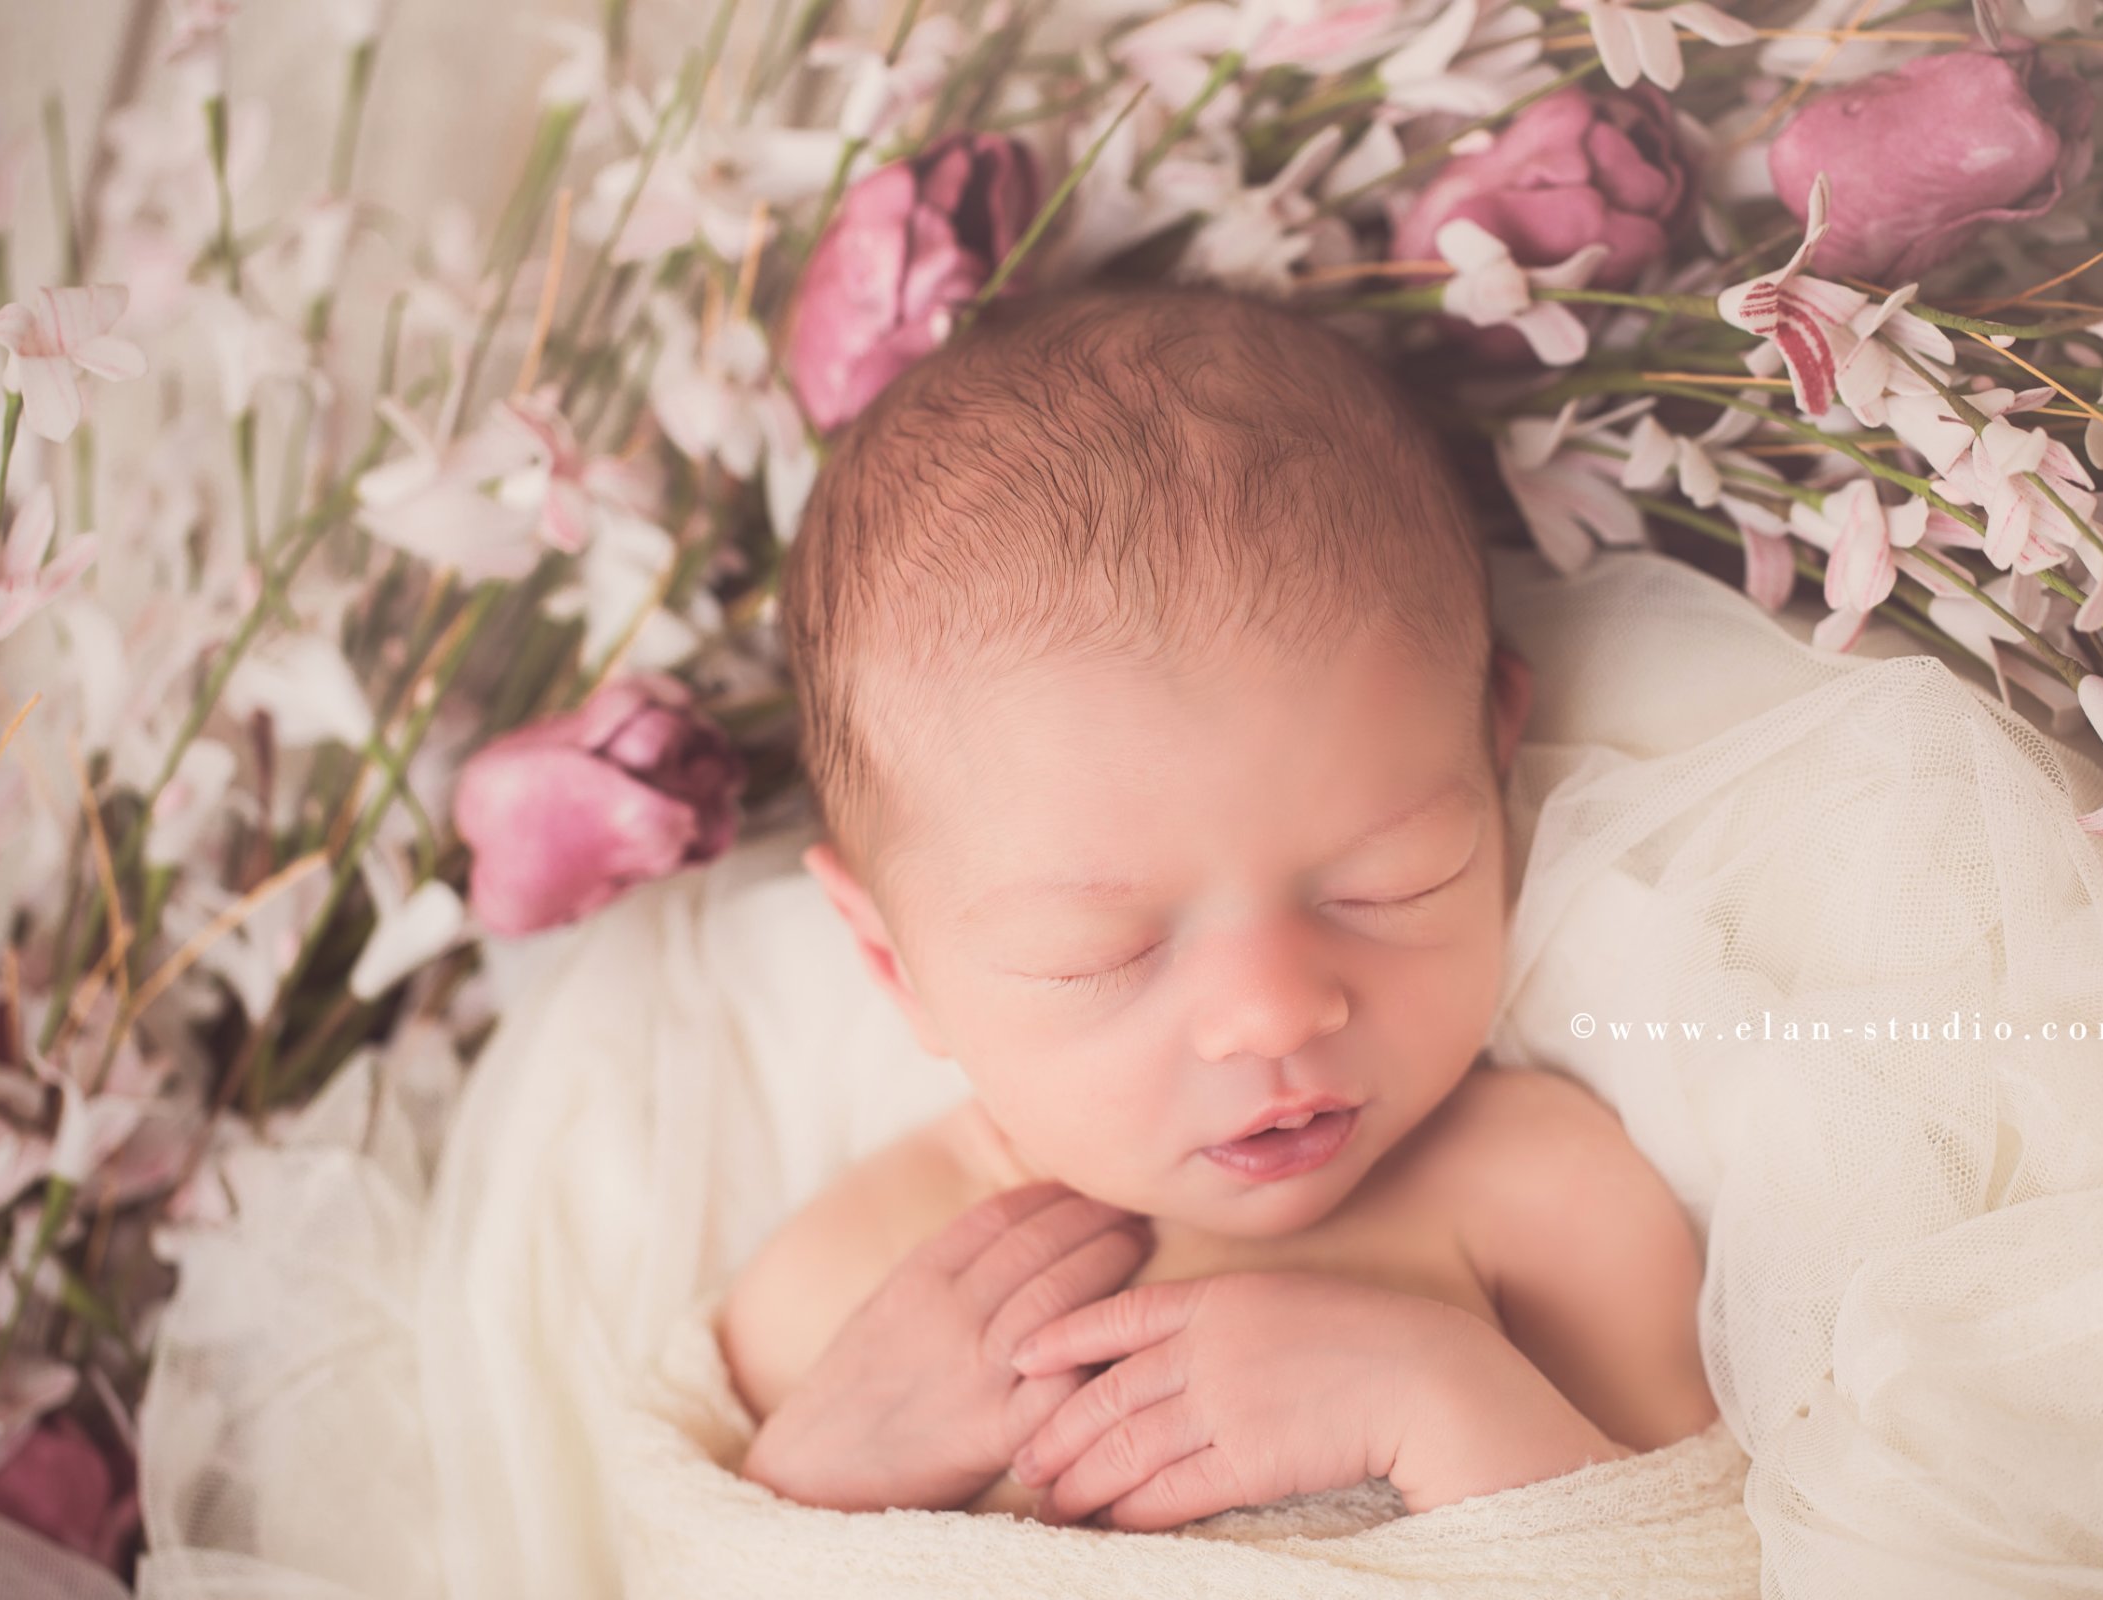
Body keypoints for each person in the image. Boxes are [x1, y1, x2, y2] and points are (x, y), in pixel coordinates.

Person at [718, 281, 1716, 1530]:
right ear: (892, 960)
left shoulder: (1547, 1199)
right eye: (1101, 952)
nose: (1272, 1013)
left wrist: (1440, 1397)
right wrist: (811, 1478)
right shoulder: (848, 1288)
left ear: (1494, 763)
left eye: (1385, 880)